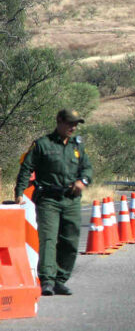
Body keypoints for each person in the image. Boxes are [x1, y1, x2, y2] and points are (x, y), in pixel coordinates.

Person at [15, 109, 93, 296]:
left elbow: (87, 169)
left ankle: (61, 279)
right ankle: (47, 280)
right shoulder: (43, 144)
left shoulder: (77, 146)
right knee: (49, 239)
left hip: (71, 199)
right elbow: (26, 168)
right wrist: (19, 192)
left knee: (70, 240)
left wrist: (83, 181)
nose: (73, 127)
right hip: (48, 199)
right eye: (69, 123)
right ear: (59, 121)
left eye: (75, 124)